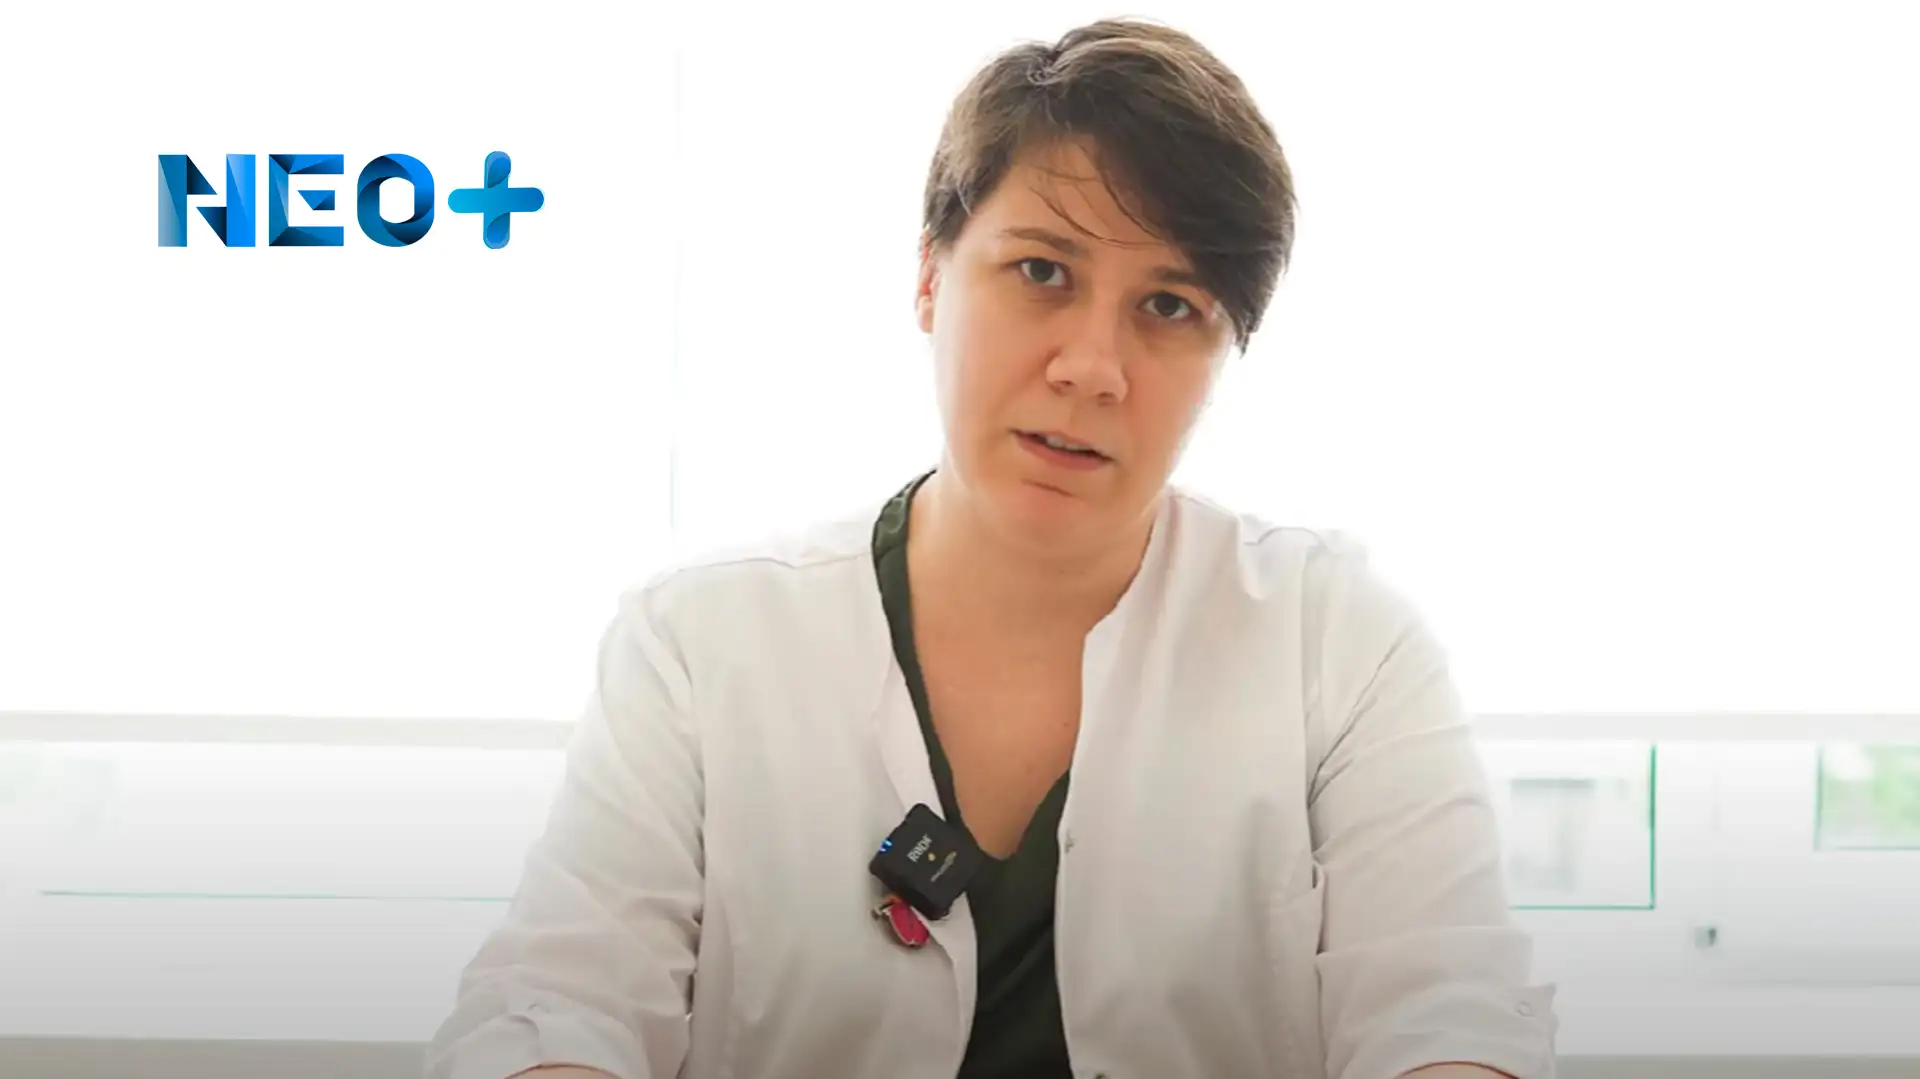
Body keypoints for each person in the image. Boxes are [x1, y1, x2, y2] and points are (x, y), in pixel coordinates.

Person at [424, 16, 1558, 1079]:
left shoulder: (1341, 643)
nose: (1092, 367)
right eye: (1042, 272)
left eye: (1170, 305)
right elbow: (559, 1001)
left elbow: (1445, 1006)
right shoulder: (698, 642)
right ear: (930, 276)